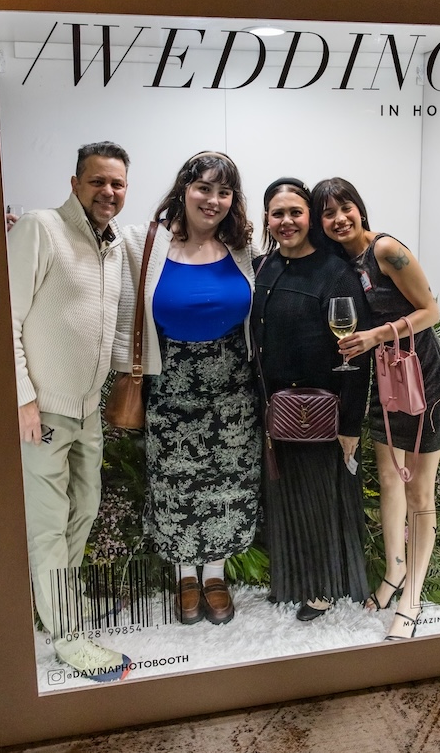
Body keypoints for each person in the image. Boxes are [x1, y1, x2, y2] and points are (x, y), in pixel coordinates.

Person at [112, 151, 261, 626]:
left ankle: (215, 575)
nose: (213, 200)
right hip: (170, 387)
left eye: (223, 192)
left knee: (227, 486)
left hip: (234, 391)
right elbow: (88, 243)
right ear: (183, 190)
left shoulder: (243, 249)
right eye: (203, 188)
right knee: (175, 486)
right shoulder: (145, 243)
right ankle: (184, 578)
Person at [8, 141, 132, 680]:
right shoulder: (40, 227)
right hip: (44, 413)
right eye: (98, 181)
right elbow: (5, 318)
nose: (108, 192)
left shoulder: (114, 242)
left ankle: (61, 613)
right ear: (76, 182)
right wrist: (23, 399)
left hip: (87, 412)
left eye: (118, 184)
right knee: (48, 527)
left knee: (82, 514)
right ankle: (67, 636)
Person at [312, 177, 440, 640]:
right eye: (327, 213)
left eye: (344, 207)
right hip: (387, 385)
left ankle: (411, 596)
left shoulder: (387, 249)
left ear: (359, 207)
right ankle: (393, 573)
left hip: (424, 381)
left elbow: (430, 310)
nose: (338, 219)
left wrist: (376, 336)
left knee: (420, 495)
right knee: (390, 481)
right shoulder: (342, 262)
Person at [251, 178, 370, 621]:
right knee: (287, 499)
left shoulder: (335, 272)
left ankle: (321, 587)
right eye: (278, 213)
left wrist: (350, 426)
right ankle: (292, 581)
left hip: (320, 413)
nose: (287, 222)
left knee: (320, 500)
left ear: (311, 218)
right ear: (267, 218)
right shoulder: (262, 267)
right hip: (273, 411)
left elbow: (356, 356)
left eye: (296, 212)